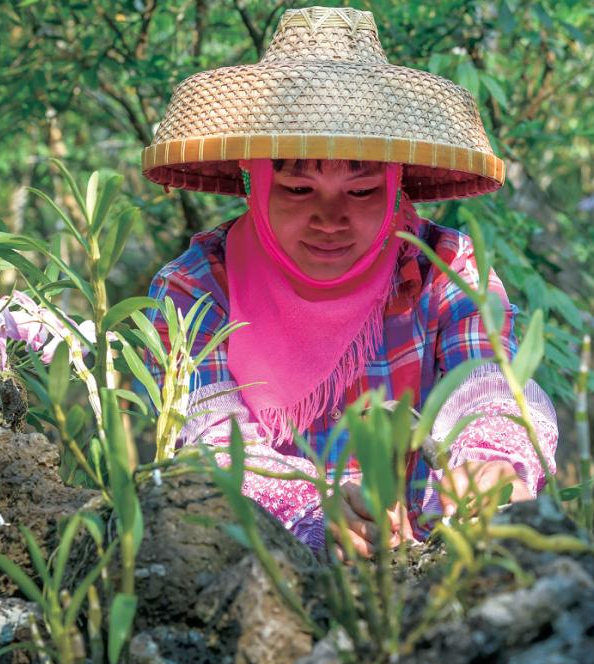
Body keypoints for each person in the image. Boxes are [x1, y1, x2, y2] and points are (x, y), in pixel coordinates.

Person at [139, 7, 558, 556]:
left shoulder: (445, 268)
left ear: (396, 188)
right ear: (253, 183)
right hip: (269, 578)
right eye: (296, 190)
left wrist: (490, 463)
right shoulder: (194, 291)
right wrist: (314, 510)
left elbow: (491, 383)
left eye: (361, 193)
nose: (329, 218)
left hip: (439, 575)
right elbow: (212, 444)